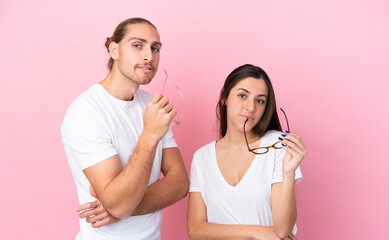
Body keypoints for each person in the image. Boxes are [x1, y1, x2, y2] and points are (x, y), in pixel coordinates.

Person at [61, 17, 188, 240]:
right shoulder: (86, 112)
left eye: (155, 48)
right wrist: (149, 135)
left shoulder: (152, 106)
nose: (149, 55)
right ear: (114, 50)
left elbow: (179, 183)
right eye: (137, 45)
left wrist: (125, 209)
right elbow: (118, 204)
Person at [187, 64, 307, 240]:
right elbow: (196, 230)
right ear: (224, 98)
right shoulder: (202, 157)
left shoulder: (277, 145)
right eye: (242, 96)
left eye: (260, 101)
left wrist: (288, 174)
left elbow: (282, 231)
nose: (251, 107)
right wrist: (257, 233)